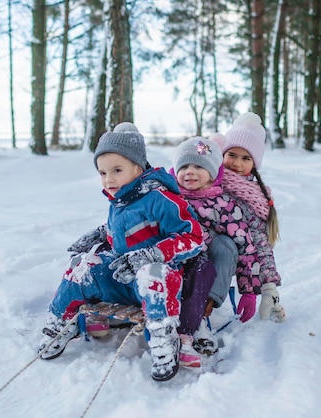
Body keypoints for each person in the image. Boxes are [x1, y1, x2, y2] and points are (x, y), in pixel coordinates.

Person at [38, 122, 205, 382]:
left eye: (117, 170)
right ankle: (62, 323)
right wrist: (102, 233)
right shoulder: (118, 200)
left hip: (158, 286)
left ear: (138, 169)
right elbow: (125, 233)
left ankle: (164, 338)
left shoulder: (160, 199)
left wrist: (152, 255)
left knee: (152, 274)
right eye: (103, 173)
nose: (109, 179)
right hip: (123, 280)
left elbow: (194, 237)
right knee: (83, 264)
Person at [171, 136, 263, 353]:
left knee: (226, 244)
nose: (190, 171)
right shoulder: (169, 198)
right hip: (175, 261)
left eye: (198, 166)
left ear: (213, 174)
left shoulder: (224, 206)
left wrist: (249, 291)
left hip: (209, 268)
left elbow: (246, 247)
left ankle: (201, 318)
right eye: (183, 166)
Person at [212, 112, 286, 323]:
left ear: (255, 164)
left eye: (246, 158)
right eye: (232, 154)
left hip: (234, 256)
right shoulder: (205, 180)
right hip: (199, 250)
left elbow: (260, 245)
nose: (237, 163)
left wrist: (268, 288)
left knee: (225, 244)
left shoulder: (252, 199)